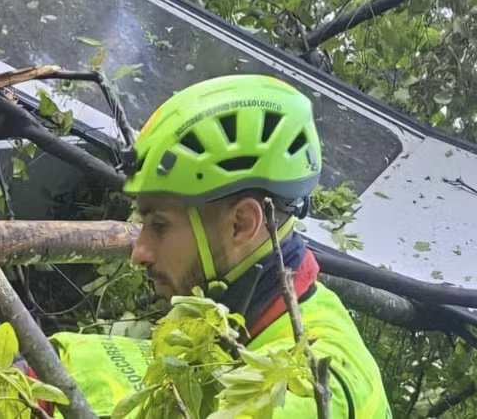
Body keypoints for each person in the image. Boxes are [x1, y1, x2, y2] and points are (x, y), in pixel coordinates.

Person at [123, 73, 391, 417]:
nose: (139, 253)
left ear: (242, 225)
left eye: (159, 225)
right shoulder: (241, 316)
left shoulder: (307, 389)